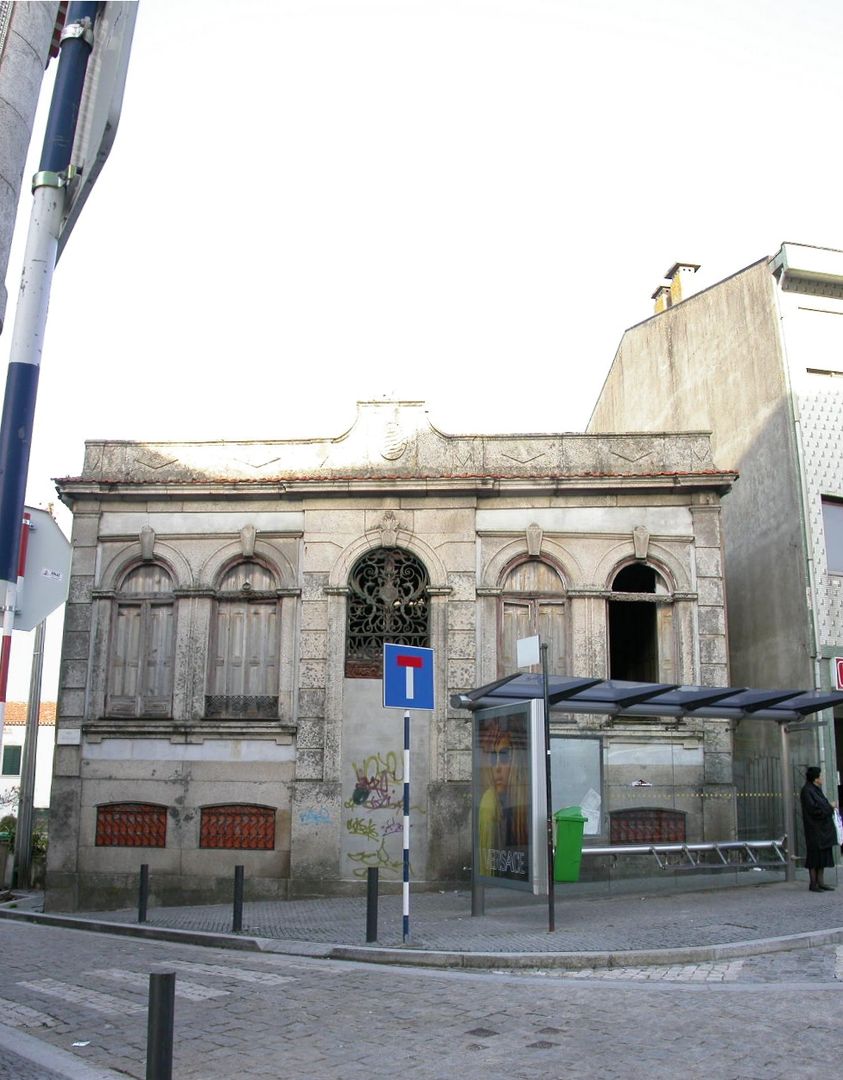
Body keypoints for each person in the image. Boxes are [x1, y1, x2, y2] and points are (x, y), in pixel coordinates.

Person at [477, 719, 529, 878]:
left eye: (505, 758)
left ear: (517, 763)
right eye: (493, 759)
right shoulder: (489, 802)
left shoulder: (525, 805)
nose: (497, 767)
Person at [800, 766, 837, 892]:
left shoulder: (816, 790)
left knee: (822, 856)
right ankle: (813, 883)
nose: (822, 778)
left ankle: (820, 882)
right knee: (815, 856)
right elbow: (814, 810)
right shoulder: (807, 791)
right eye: (820, 776)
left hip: (822, 830)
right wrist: (830, 807)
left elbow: (821, 806)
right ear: (815, 778)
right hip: (814, 830)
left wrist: (829, 807)